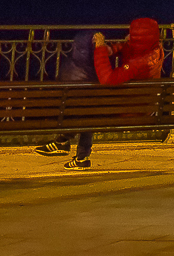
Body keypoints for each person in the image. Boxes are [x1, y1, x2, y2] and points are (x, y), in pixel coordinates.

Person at [42, 18, 165, 169]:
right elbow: (133, 51)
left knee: (89, 110)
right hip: (141, 103)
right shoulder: (154, 49)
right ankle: (75, 153)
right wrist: (116, 48)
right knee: (90, 106)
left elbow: (108, 79)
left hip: (132, 110)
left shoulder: (140, 61)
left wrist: (100, 48)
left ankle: (66, 144)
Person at [34, 31, 98, 160]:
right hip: (107, 111)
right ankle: (79, 154)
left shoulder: (70, 67)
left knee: (85, 113)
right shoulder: (95, 67)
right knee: (88, 113)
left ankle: (63, 141)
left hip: (74, 110)